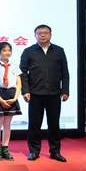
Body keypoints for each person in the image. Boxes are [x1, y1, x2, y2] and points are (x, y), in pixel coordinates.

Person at [20, 24, 70, 162]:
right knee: (34, 124)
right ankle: (34, 151)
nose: (42, 35)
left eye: (45, 33)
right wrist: (25, 91)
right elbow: (22, 73)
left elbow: (65, 72)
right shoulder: (28, 51)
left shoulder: (59, 51)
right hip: (35, 93)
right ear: (35, 35)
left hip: (54, 93)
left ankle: (55, 152)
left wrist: (65, 90)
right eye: (39, 33)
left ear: (50, 35)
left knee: (54, 124)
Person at [0, 41, 22, 161]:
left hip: (11, 94)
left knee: (7, 124)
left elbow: (19, 83)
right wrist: (0, 99)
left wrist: (15, 97)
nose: (7, 52)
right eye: (4, 50)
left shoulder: (14, 66)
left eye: (9, 50)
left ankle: (5, 148)